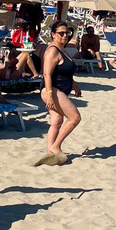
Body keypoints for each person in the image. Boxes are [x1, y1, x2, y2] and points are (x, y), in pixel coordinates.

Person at [36, 20, 82, 166]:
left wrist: (75, 86)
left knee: (56, 122)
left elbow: (65, 73)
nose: (64, 36)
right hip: (52, 90)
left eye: (66, 33)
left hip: (59, 90)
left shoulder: (62, 50)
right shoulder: (52, 51)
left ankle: (50, 154)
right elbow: (47, 74)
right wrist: (50, 94)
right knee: (75, 118)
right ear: (53, 34)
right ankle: (56, 146)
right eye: (61, 33)